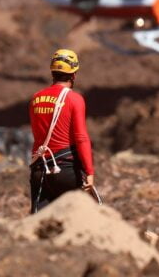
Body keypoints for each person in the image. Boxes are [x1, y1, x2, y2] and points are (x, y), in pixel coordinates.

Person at [28, 48, 95, 213]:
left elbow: (37, 134)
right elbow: (81, 137)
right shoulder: (74, 99)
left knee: (40, 223)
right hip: (66, 170)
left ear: (53, 72)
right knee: (83, 219)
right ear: (74, 75)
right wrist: (89, 171)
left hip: (40, 170)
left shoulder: (36, 98)